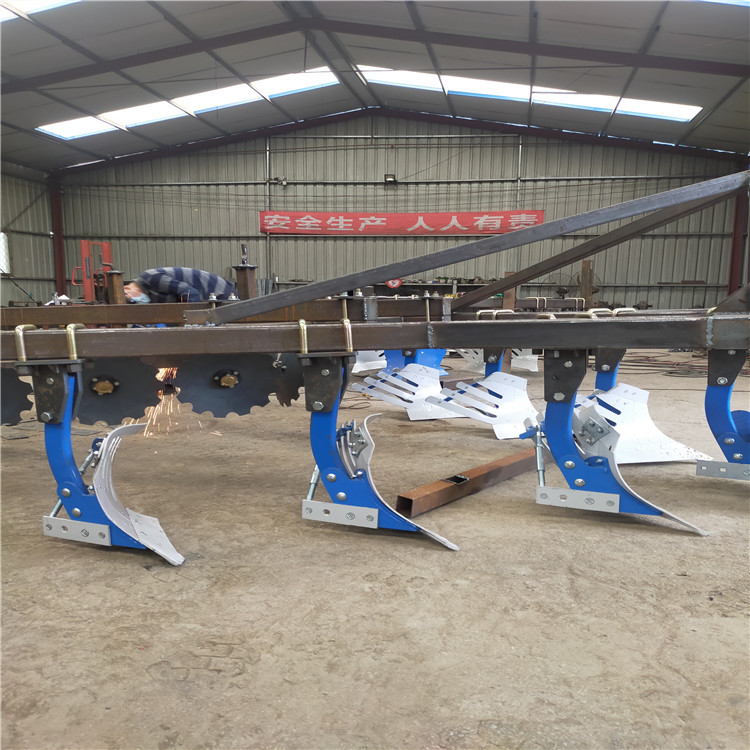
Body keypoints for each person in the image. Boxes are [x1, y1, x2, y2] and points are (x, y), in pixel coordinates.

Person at [124, 267, 236, 303]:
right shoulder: (151, 295)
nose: (136, 302)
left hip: (219, 292)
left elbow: (190, 293)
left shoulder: (150, 278)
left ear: (127, 288)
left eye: (132, 300)